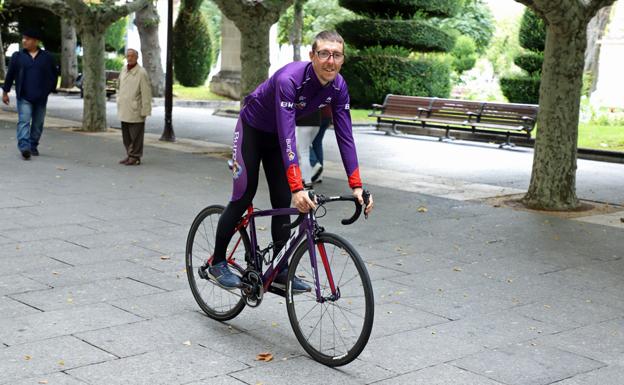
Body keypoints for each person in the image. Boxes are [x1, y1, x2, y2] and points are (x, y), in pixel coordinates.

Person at [207, 30, 374, 291]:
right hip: (252, 130)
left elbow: (346, 137)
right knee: (244, 194)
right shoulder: (290, 79)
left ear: (343, 59)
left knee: (282, 199)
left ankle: (280, 269)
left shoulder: (339, 87)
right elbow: (288, 135)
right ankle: (217, 262)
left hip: (276, 139)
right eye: (324, 54)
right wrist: (298, 186)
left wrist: (356, 185)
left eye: (337, 55)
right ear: (312, 56)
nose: (330, 61)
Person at [2, 28, 58, 160]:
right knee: (24, 121)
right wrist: (5, 92)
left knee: (38, 123)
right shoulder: (18, 56)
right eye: (23, 38)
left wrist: (48, 90)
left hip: (40, 97)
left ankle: (33, 146)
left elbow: (53, 76)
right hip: (24, 96)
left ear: (36, 41)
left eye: (27, 39)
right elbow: (10, 75)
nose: (24, 41)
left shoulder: (47, 57)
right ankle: (24, 147)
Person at [116, 48, 152, 166]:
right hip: (124, 108)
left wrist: (145, 110)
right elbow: (119, 86)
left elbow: (146, 93)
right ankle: (130, 155)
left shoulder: (141, 72)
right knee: (126, 135)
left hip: (136, 109)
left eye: (132, 56)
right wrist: (118, 100)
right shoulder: (123, 70)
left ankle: (135, 156)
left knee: (136, 136)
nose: (129, 58)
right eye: (128, 56)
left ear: (137, 57)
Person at [310, 105, 332, 183]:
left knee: (303, 142)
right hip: (327, 115)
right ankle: (319, 174)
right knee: (317, 143)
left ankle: (314, 164)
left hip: (316, 115)